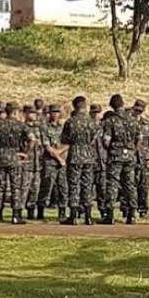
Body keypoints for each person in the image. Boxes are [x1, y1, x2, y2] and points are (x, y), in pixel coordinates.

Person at [0, 102, 32, 224]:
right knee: (16, 187)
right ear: (15, 112)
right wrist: (25, 152)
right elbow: (32, 139)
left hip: (1, 157)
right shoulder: (21, 125)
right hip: (15, 157)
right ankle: (16, 215)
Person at [100, 94, 140, 225]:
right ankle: (132, 214)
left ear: (112, 106)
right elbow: (139, 139)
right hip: (130, 155)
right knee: (130, 184)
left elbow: (106, 141)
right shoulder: (133, 120)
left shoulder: (110, 121)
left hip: (115, 155)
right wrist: (132, 149)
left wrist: (110, 148)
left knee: (112, 183)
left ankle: (110, 214)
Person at [60, 96, 99, 225]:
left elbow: (64, 140)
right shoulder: (92, 122)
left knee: (74, 185)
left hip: (75, 155)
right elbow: (95, 138)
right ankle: (88, 216)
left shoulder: (70, 122)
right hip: (89, 156)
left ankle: (73, 215)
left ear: (74, 106)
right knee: (87, 186)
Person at [38, 104, 68, 222]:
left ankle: (62, 212)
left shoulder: (63, 128)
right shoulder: (44, 127)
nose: (55, 114)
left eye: (57, 112)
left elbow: (68, 143)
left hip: (61, 162)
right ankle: (40, 212)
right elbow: (47, 146)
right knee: (46, 186)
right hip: (50, 161)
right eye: (53, 112)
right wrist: (58, 156)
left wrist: (60, 152)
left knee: (63, 187)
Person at [132, 99, 149, 218]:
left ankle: (143, 209)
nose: (138, 112)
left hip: (144, 158)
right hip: (132, 158)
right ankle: (129, 210)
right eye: (136, 110)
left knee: (144, 185)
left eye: (140, 111)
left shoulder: (146, 123)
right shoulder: (128, 122)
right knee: (131, 184)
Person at [21, 105, 44, 220]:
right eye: (31, 113)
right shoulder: (21, 127)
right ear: (25, 114)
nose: (33, 115)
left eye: (35, 113)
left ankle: (31, 210)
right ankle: (19, 210)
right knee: (24, 188)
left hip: (37, 163)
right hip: (26, 162)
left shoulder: (39, 128)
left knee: (35, 188)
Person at [89, 103, 107, 220]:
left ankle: (103, 212)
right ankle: (86, 212)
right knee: (87, 190)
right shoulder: (87, 126)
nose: (96, 115)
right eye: (94, 112)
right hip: (89, 162)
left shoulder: (104, 127)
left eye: (98, 112)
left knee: (102, 190)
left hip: (102, 162)